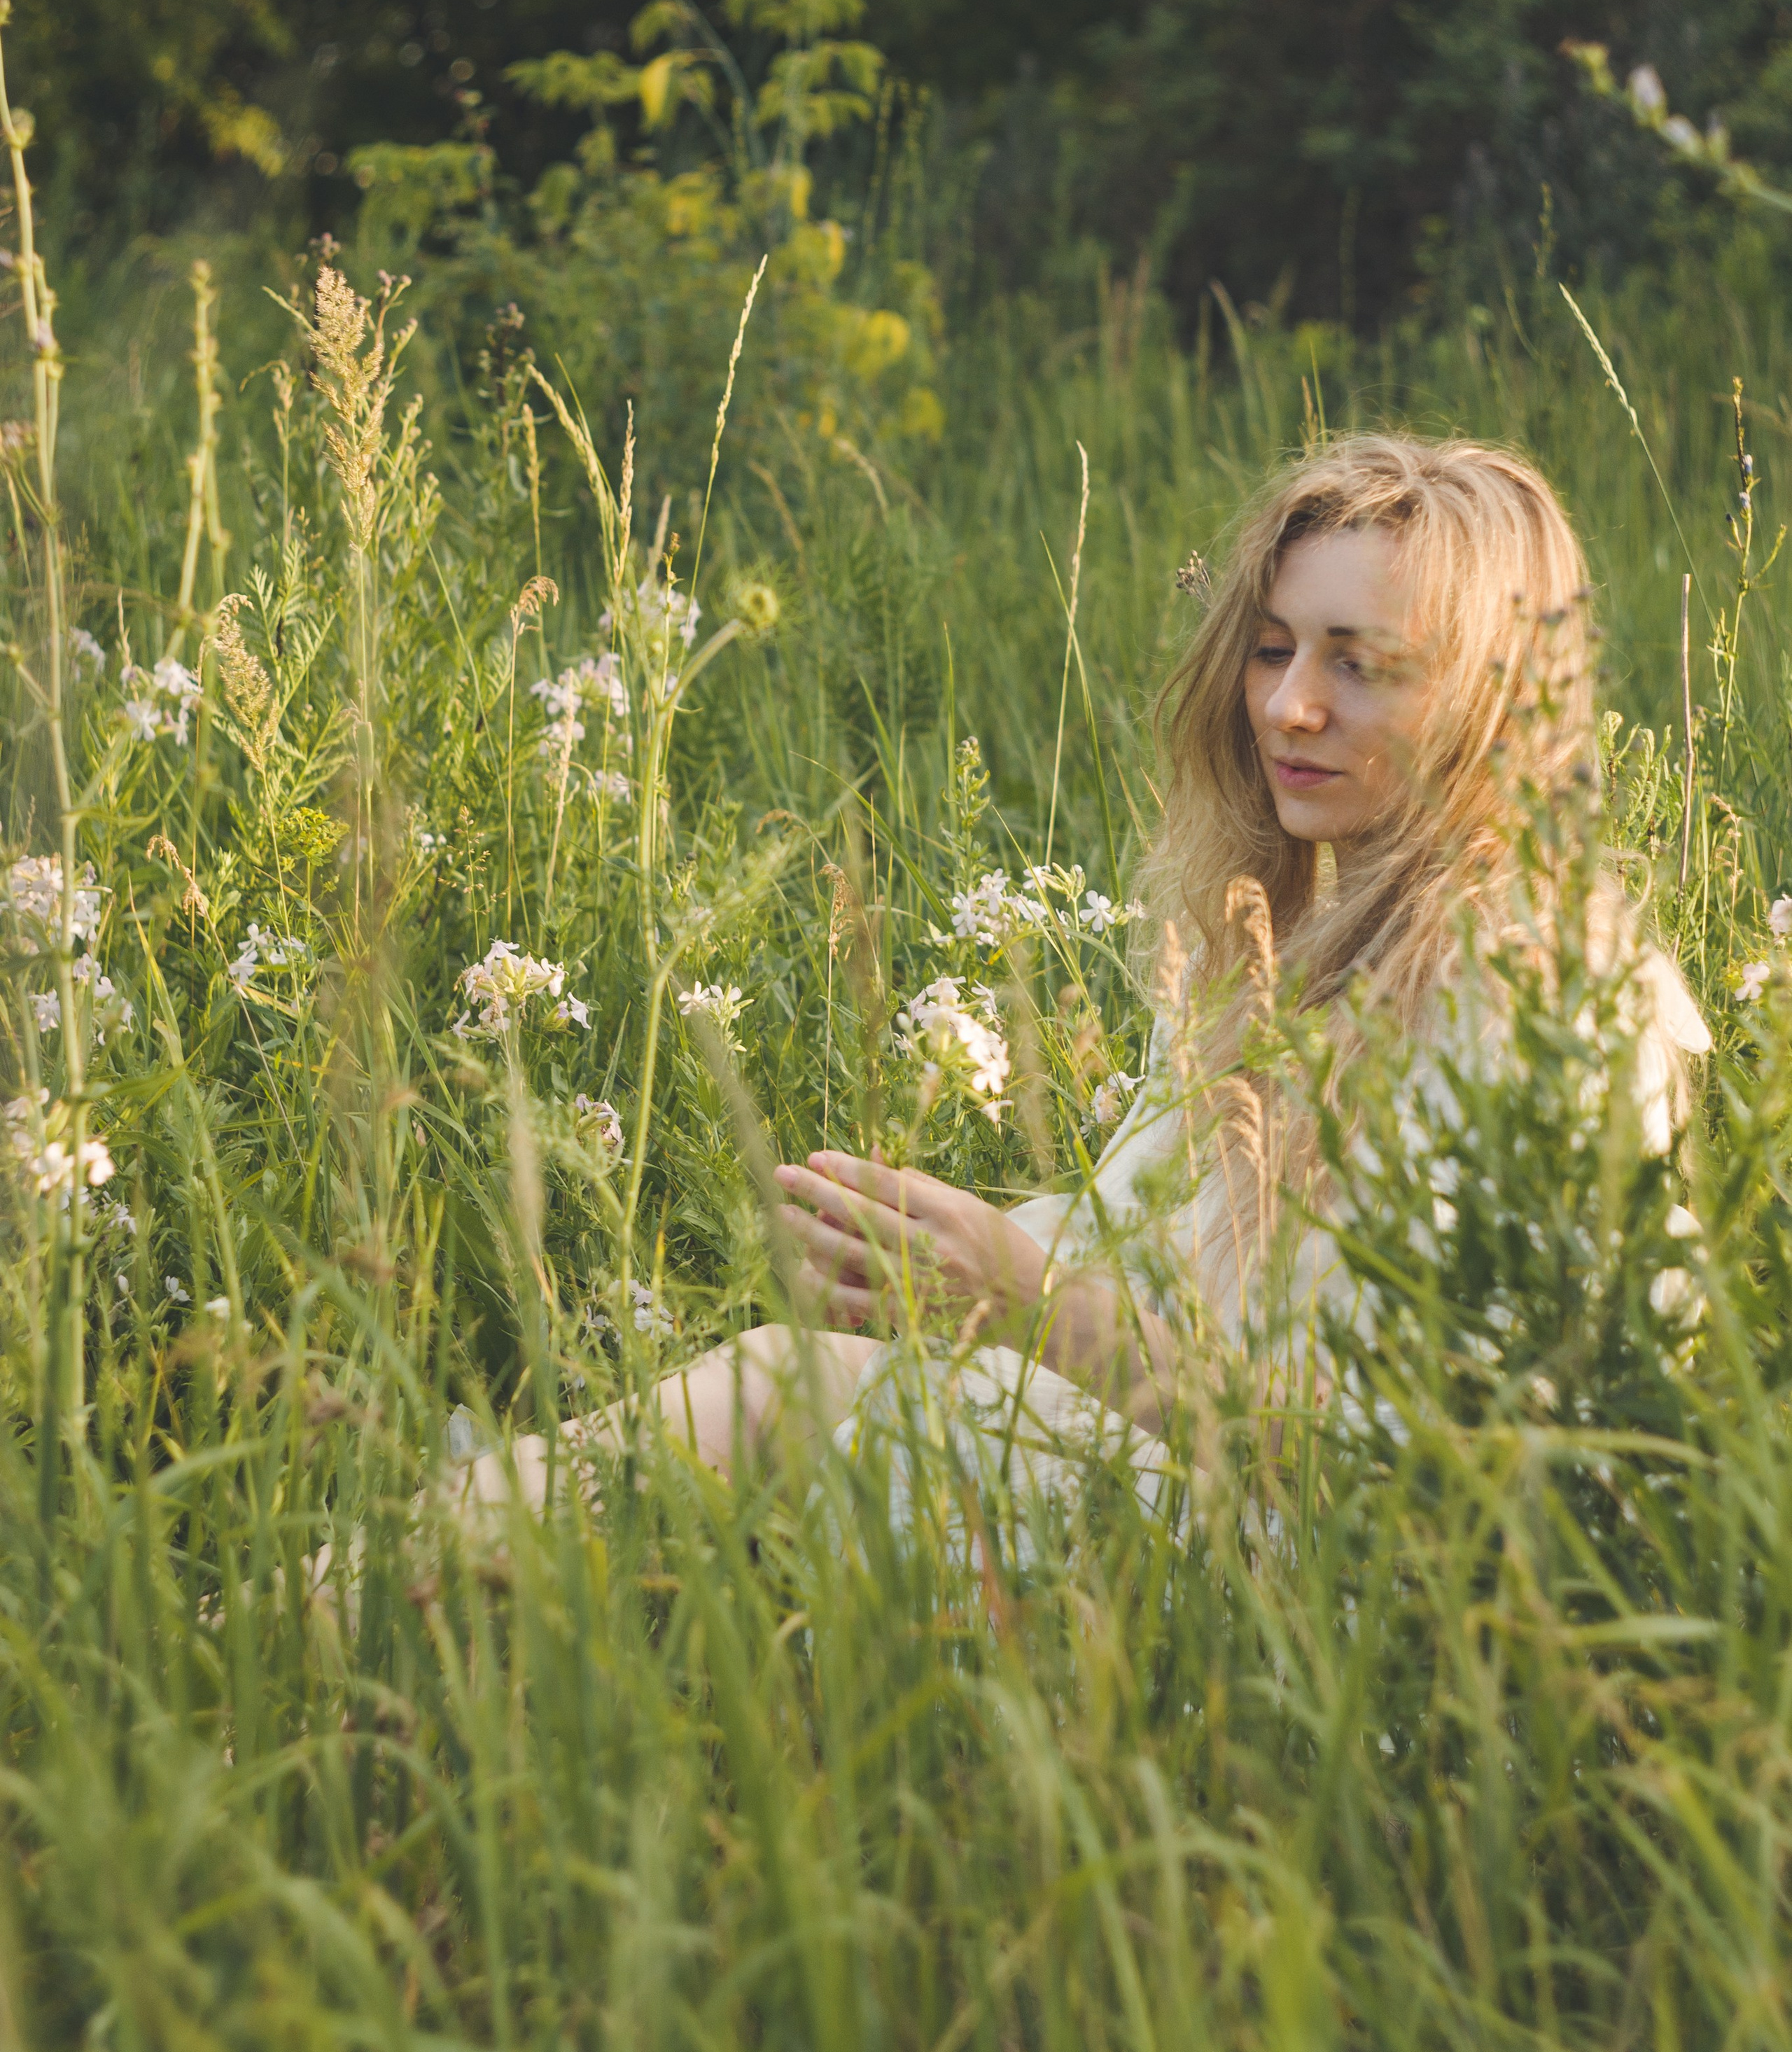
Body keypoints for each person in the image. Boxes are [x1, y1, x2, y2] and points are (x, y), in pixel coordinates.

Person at [468, 433, 1709, 1525]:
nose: (1286, 707)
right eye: (1272, 649)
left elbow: (1423, 1479)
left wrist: (1030, 1304)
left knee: (803, 1406)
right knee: (788, 1375)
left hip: (1325, 1600)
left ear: (1492, 705)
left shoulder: (1546, 1004)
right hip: (1196, 1479)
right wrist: (930, 1270)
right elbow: (1175, 1266)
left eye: (1359, 665)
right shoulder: (1308, 943)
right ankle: (353, 1589)